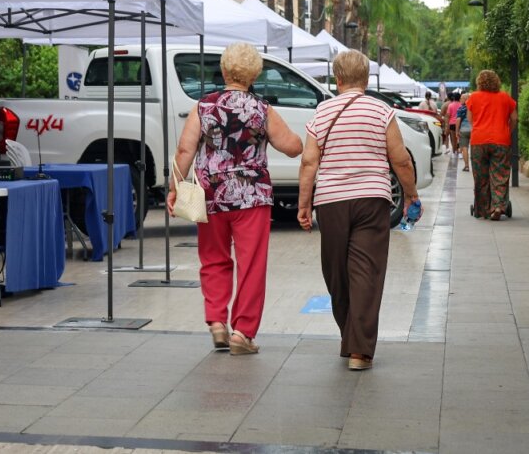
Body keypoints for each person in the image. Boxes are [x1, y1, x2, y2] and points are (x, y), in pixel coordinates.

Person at [169, 42, 302, 356]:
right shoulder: (261, 109)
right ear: (255, 74)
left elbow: (185, 151)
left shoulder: (203, 107)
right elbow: (292, 146)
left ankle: (217, 321)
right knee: (251, 264)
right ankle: (242, 332)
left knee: (213, 258)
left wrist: (174, 188)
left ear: (225, 70)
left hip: (211, 194)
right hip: (252, 197)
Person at [297, 49, 421, 371]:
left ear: (337, 80)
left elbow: (309, 161)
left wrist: (304, 204)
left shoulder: (322, 113)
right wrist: (410, 194)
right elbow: (401, 159)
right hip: (373, 200)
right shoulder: (382, 111)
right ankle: (358, 348)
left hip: (331, 202)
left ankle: (353, 341)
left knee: (335, 272)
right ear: (365, 79)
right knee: (366, 272)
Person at [466, 70, 518, 220]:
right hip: (501, 140)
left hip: (478, 141)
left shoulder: (473, 97)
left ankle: (482, 209)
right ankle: (498, 207)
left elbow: (471, 119)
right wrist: (508, 131)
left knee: (480, 177)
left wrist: (480, 128)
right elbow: (514, 119)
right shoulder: (505, 98)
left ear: (479, 82)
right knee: (500, 176)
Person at [456, 91, 472, 172]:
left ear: (466, 99)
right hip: (474, 130)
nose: (460, 99)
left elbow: (458, 119)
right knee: (474, 148)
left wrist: (456, 131)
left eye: (461, 98)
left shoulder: (461, 108)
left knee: (464, 148)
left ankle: (466, 166)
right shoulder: (473, 107)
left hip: (463, 130)